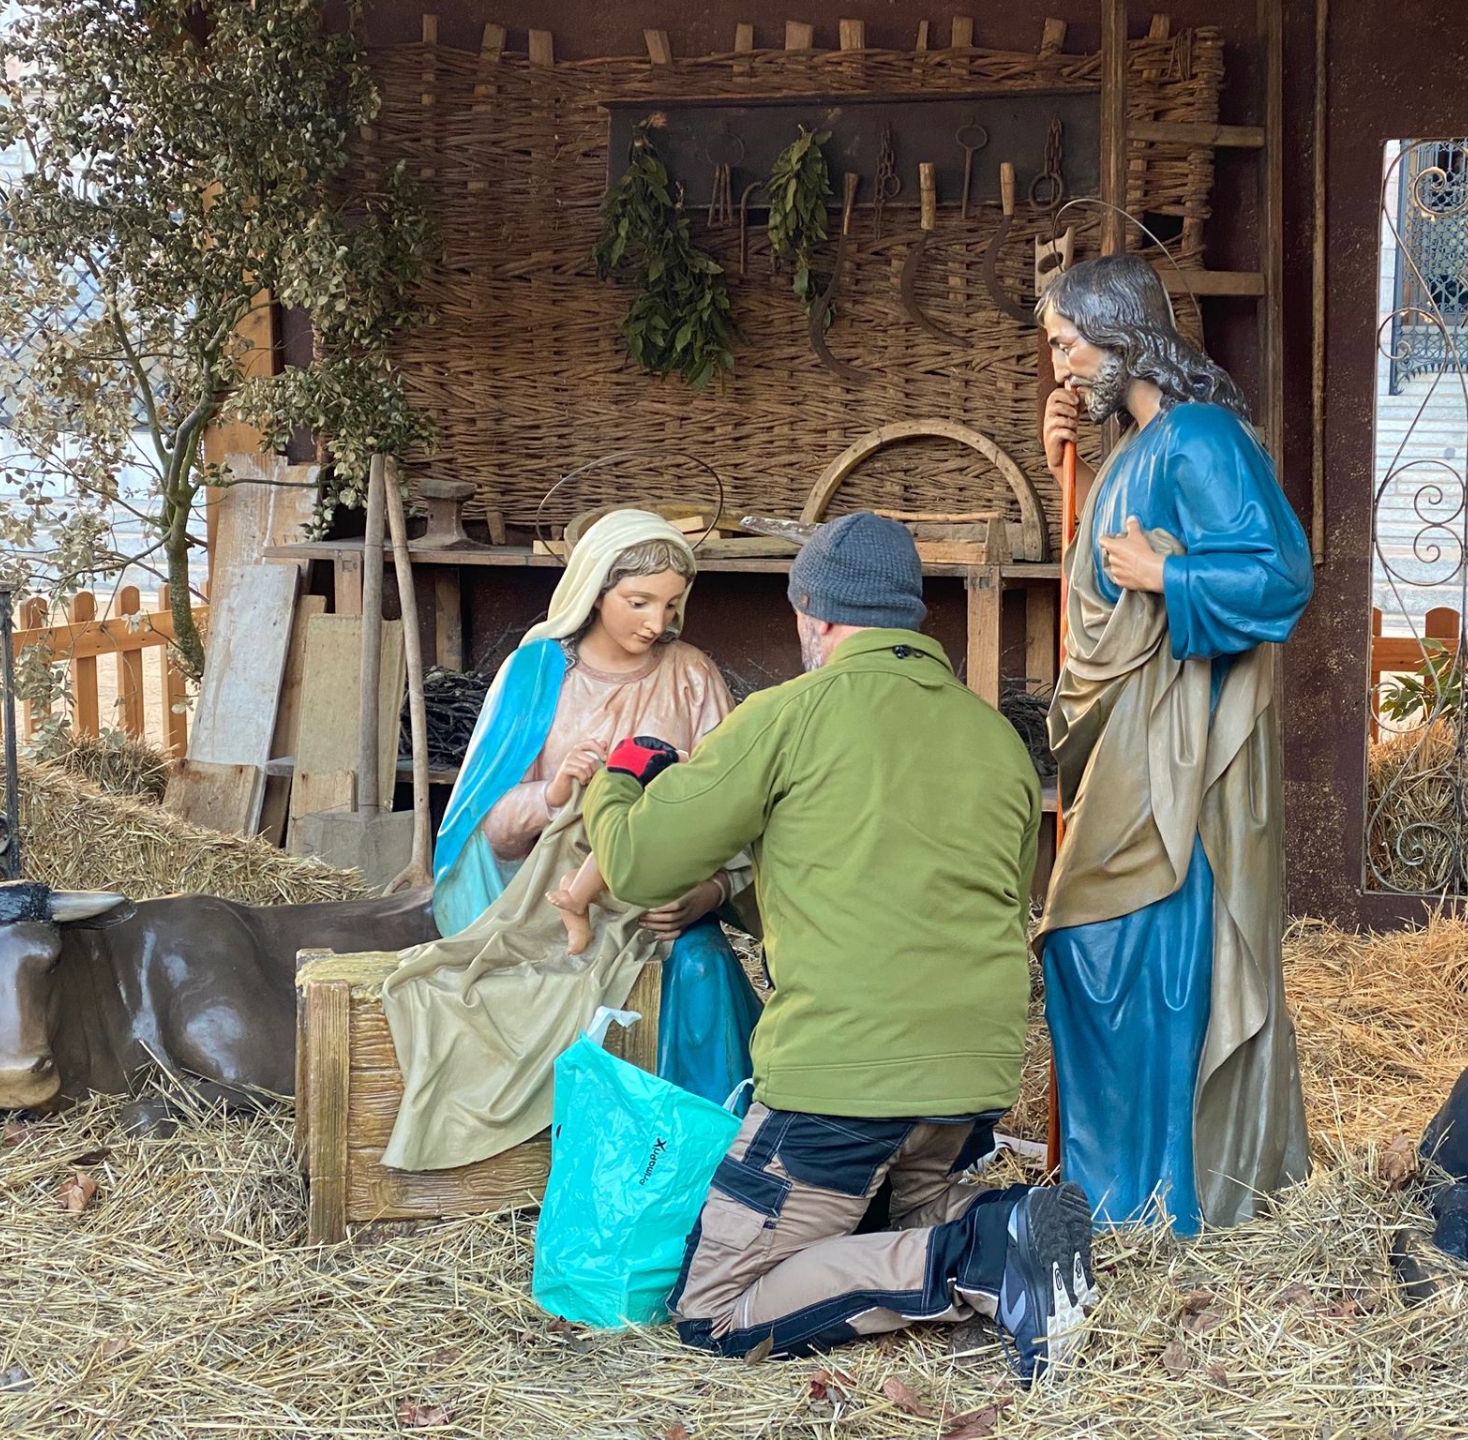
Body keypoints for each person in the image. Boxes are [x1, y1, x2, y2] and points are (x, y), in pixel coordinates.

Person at [583, 512, 1097, 1380]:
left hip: (842, 1084)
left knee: (715, 1313)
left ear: (812, 616)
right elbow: (959, 901)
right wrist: (736, 896)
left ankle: (982, 1257)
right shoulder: (997, 741)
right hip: (967, 1080)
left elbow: (634, 863)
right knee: (910, 1208)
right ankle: (1004, 1221)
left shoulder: (786, 714)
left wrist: (620, 774)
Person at [1035, 254, 1313, 1236]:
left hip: (1180, 754)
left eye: (1068, 344)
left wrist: (1168, 576)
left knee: (1136, 952)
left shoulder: (1197, 436)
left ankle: (1165, 1198)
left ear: (1120, 337)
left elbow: (1280, 577)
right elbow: (1096, 602)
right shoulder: (1136, 449)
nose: (1061, 365)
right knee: (1090, 951)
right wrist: (1064, 462)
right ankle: (1119, 1194)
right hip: (1131, 741)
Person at [378, 511, 761, 1172]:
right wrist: (554, 793)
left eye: (670, 605)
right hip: (540, 905)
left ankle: (700, 1159)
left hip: (659, 907)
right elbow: (489, 830)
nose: (656, 623)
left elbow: (736, 814)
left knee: (703, 971)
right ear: (594, 591)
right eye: (638, 602)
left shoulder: (692, 675)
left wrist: (708, 892)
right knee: (468, 989)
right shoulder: (535, 677)